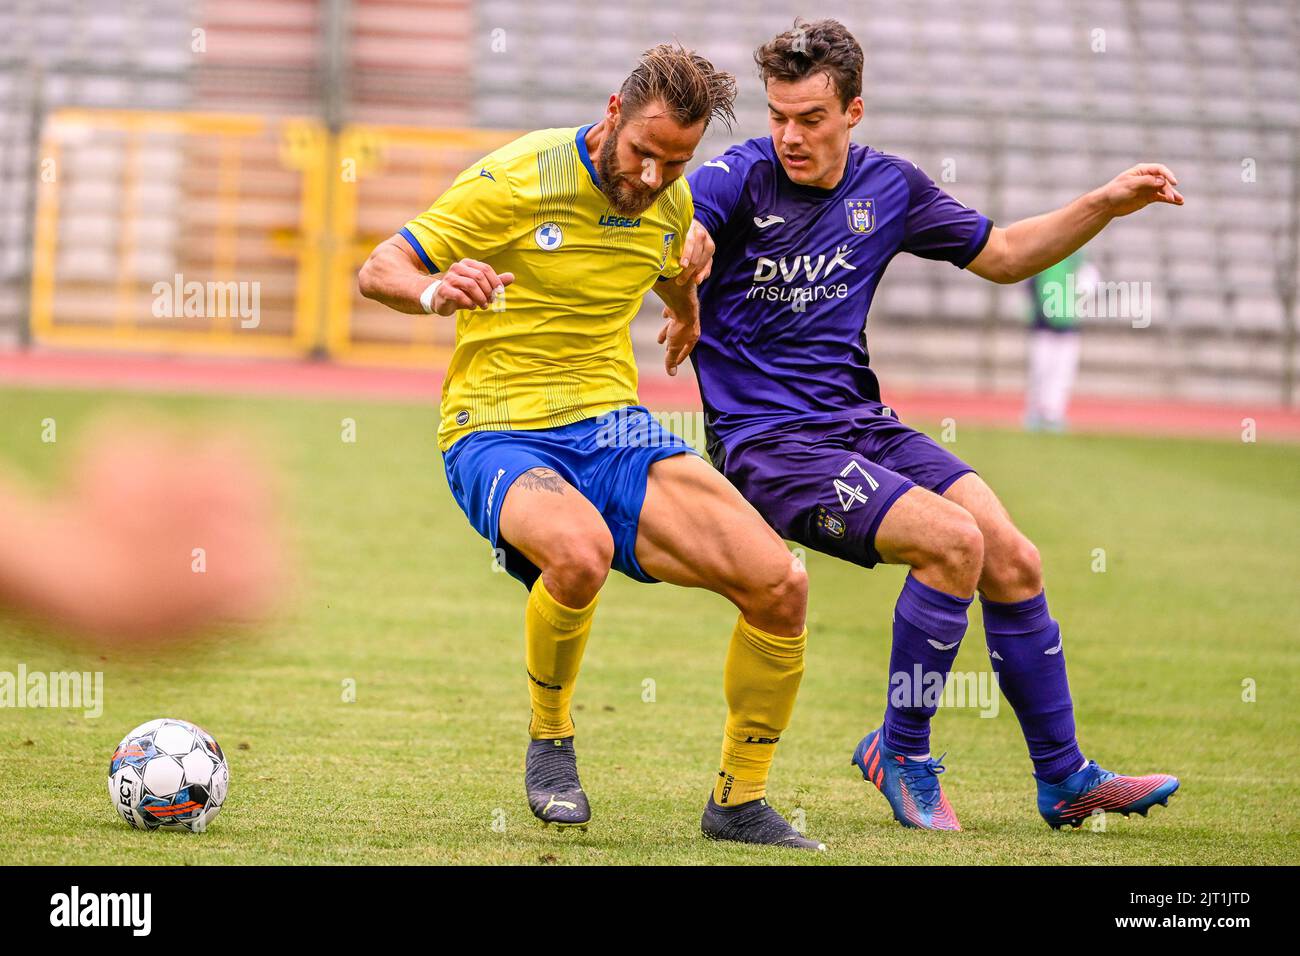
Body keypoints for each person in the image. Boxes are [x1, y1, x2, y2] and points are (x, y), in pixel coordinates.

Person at [675, 19, 1180, 830]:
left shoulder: (891, 188)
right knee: (953, 543)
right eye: (778, 116)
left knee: (1011, 557)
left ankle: (1066, 779)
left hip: (857, 425)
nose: (790, 136)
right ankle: (900, 750)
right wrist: (687, 267)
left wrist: (1103, 205)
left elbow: (1007, 254)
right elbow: (691, 225)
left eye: (810, 118)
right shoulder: (741, 173)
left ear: (854, 111)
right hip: (768, 444)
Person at [358, 44, 824, 849]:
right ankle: (551, 739)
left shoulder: (669, 204)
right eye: (644, 152)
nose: (651, 178)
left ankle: (738, 802)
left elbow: (673, 265)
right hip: (495, 425)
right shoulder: (514, 179)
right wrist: (435, 290)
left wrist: (685, 311)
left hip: (610, 425)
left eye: (674, 164)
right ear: (612, 113)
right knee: (581, 553)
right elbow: (379, 268)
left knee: (780, 583)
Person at [1025, 250, 1098, 432]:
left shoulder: (1081, 266)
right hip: (1044, 327)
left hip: (1067, 328)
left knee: (1062, 373)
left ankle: (1053, 413)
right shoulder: (1044, 262)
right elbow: (1033, 289)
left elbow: (1087, 289)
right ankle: (1036, 411)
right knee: (1041, 370)